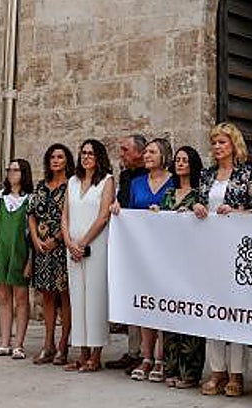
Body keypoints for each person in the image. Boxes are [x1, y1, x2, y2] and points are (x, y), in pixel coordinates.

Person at [193, 122, 252, 397]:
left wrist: (236, 212)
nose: (217, 147)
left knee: (236, 309)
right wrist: (197, 206)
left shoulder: (248, 174)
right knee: (212, 308)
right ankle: (217, 371)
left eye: (222, 142)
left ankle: (236, 373)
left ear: (234, 145)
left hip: (237, 249)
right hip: (210, 249)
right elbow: (197, 202)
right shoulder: (206, 174)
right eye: (214, 142)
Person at [62, 139, 115, 373]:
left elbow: (103, 216)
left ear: (99, 157)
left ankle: (95, 355)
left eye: (91, 154)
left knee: (95, 297)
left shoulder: (106, 180)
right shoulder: (72, 181)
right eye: (83, 153)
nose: (86, 157)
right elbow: (65, 216)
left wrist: (82, 243)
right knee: (77, 298)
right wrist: (69, 242)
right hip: (72, 247)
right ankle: (81, 353)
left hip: (95, 245)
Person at [124, 138, 174, 382]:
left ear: (164, 155)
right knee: (145, 304)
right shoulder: (136, 183)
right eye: (145, 152)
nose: (146, 156)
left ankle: (161, 358)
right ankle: (146, 357)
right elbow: (129, 213)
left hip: (167, 251)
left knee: (162, 303)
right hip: (142, 252)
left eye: (152, 152)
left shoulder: (174, 182)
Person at [157, 144, 206, 389]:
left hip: (192, 263)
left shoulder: (200, 194)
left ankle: (190, 372)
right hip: (169, 262)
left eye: (185, 160)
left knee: (190, 315)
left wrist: (198, 211)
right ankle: (171, 368)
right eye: (177, 159)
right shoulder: (168, 193)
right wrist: (156, 213)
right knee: (170, 315)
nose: (180, 163)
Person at [0, 159, 34, 359]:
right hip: (1, 252)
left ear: (24, 173)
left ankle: (18, 344)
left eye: (16, 170)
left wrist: (30, 260)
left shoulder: (30, 199)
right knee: (3, 298)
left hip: (20, 252)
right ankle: (4, 343)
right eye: (9, 169)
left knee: (21, 298)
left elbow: (32, 231)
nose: (11, 173)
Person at [28, 146, 73, 365]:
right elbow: (31, 214)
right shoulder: (41, 186)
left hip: (62, 246)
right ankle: (48, 344)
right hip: (42, 249)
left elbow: (73, 216)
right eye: (52, 157)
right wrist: (36, 239)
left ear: (67, 161)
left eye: (60, 157)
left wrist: (56, 239)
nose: (56, 160)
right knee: (46, 295)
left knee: (64, 295)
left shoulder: (72, 185)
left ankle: (63, 345)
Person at [107, 133, 148, 372]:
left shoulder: (151, 174)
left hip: (149, 245)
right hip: (129, 245)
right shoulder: (125, 175)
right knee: (132, 298)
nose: (121, 154)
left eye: (125, 150)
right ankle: (134, 351)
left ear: (140, 152)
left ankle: (149, 354)